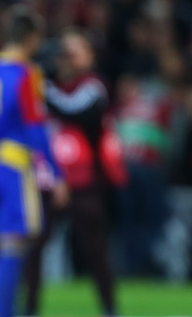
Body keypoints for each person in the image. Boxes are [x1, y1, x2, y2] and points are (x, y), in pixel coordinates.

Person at [0, 6, 65, 317]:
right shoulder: (27, 73)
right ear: (31, 39)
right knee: (15, 240)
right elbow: (36, 127)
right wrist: (56, 172)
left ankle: (1, 308)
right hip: (14, 166)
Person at [44, 27, 127, 317]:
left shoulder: (94, 85)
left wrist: (42, 88)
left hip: (86, 179)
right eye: (62, 52)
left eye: (72, 51)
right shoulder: (51, 85)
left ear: (88, 56)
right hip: (50, 179)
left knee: (95, 249)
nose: (65, 58)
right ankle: (27, 308)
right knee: (33, 246)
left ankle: (109, 308)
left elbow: (73, 110)